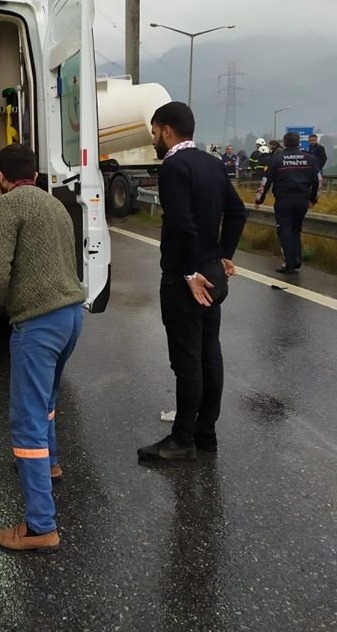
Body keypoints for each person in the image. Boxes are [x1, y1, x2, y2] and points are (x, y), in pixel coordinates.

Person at [0, 143, 85, 553]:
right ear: (35, 175)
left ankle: (40, 526)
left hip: (38, 323)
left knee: (26, 421)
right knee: (47, 401)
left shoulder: (8, 206)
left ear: (1, 178)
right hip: (71, 315)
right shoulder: (55, 205)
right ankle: (50, 464)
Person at [137, 102, 247, 463]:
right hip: (212, 271)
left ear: (168, 130)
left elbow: (181, 225)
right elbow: (237, 211)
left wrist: (187, 273)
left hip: (187, 277)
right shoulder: (213, 163)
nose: (154, 140)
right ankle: (206, 433)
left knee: (187, 362)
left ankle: (182, 439)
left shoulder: (173, 166)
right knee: (209, 353)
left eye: (154, 133)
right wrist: (223, 253)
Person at [255, 131, 321, 274]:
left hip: (284, 200)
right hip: (302, 200)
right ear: (298, 143)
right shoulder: (309, 158)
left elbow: (266, 181)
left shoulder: (277, 159)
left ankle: (289, 262)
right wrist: (313, 198)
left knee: (284, 229)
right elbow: (318, 180)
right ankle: (296, 258)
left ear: (284, 143)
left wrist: (259, 199)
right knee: (296, 229)